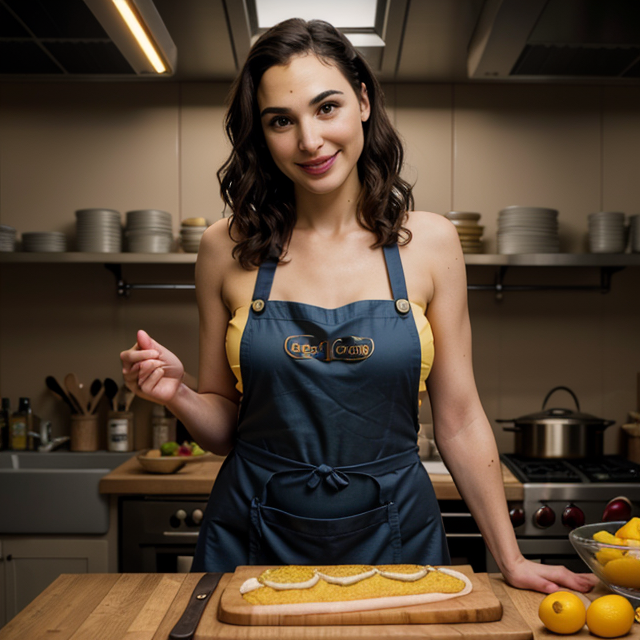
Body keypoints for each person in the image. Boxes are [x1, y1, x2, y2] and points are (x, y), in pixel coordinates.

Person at [121, 18, 596, 594]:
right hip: (252, 529)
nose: (309, 141)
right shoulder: (225, 248)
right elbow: (226, 426)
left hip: (395, 528)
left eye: (327, 108)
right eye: (281, 121)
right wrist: (180, 395)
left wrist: (511, 559)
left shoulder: (431, 243)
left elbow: (460, 418)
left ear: (363, 102)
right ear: (261, 134)